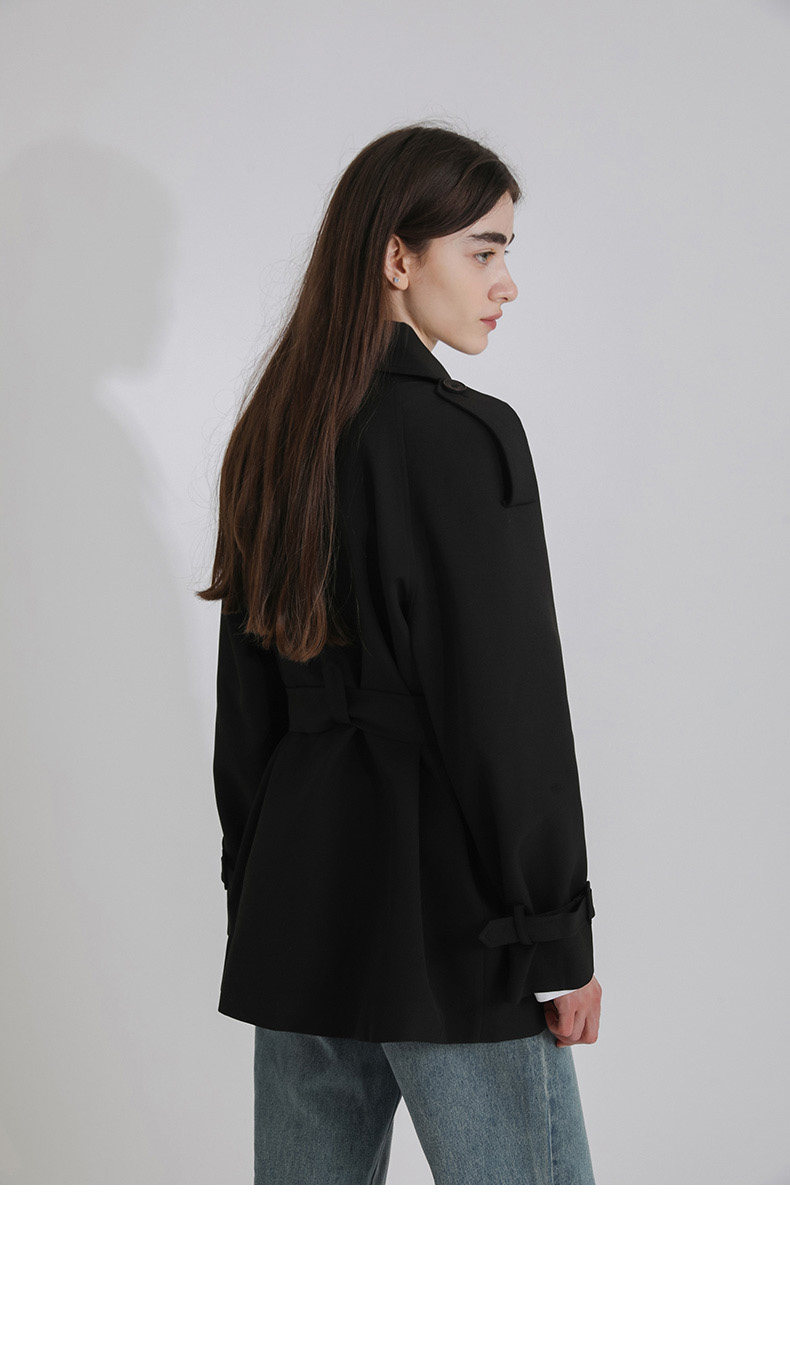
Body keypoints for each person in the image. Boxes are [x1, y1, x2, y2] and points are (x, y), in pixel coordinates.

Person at [197, 122, 602, 1184]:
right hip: (456, 922)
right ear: (395, 257)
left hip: (299, 912)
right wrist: (556, 939)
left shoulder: (275, 436)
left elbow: (246, 715)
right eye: (483, 249)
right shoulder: (466, 437)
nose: (506, 282)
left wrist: (259, 891)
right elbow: (509, 713)